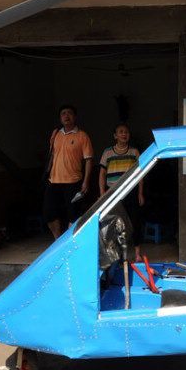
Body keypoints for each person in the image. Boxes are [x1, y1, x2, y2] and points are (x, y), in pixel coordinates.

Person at [44, 104, 93, 239]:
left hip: (74, 182)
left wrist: (86, 182)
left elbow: (89, 160)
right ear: (60, 118)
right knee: (49, 214)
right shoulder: (55, 134)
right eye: (63, 114)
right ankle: (57, 240)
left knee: (73, 215)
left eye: (69, 113)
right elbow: (52, 156)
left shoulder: (82, 136)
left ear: (75, 117)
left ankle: (70, 242)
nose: (66, 116)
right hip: (53, 181)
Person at [98, 123, 144, 258]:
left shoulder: (134, 152)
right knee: (113, 223)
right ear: (115, 136)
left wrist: (140, 193)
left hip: (130, 191)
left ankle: (137, 254)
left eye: (126, 132)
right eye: (121, 132)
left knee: (135, 221)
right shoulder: (107, 153)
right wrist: (102, 194)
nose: (124, 134)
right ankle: (116, 255)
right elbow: (102, 174)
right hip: (112, 193)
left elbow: (140, 173)